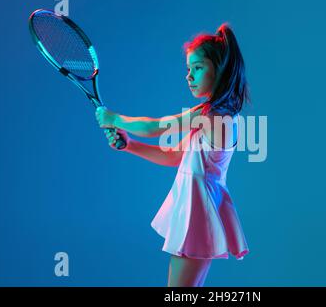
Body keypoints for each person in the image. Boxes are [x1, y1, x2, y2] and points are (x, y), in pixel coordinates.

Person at [95, 23, 251, 287]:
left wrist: (115, 118)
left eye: (198, 68)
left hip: (199, 215)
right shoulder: (210, 115)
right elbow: (174, 156)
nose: (189, 76)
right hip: (196, 213)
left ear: (220, 69)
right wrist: (130, 145)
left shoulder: (212, 117)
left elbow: (156, 127)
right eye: (188, 69)